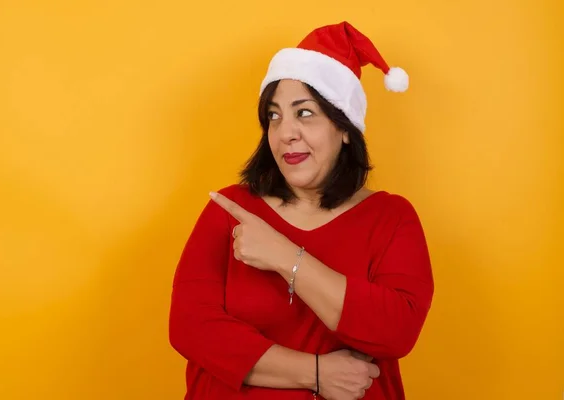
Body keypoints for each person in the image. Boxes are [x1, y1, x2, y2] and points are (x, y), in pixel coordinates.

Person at [168, 21, 434, 400]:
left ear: (344, 128)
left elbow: (396, 331)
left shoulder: (391, 218)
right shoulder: (230, 209)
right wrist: (316, 373)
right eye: (273, 116)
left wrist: (283, 255)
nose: (284, 132)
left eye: (304, 113)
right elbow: (190, 327)